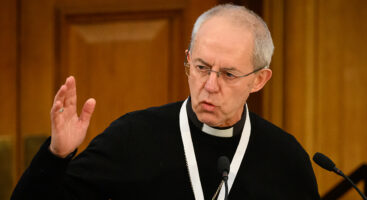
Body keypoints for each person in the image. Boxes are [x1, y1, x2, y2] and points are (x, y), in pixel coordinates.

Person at [12, 4, 320, 200]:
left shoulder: (286, 159)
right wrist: (56, 154)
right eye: (201, 67)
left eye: (228, 74)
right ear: (188, 59)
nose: (209, 86)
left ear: (259, 80)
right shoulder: (131, 138)